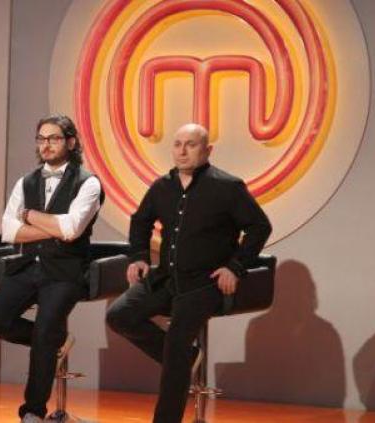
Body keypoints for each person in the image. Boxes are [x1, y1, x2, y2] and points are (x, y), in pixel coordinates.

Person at [106, 123, 272, 423]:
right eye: (177, 144)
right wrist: (139, 257)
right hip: (166, 279)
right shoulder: (162, 186)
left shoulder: (227, 186)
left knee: (175, 348)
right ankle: (186, 359)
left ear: (207, 150)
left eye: (191, 145)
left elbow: (260, 227)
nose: (182, 151)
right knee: (119, 315)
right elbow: (140, 220)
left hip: (204, 284)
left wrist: (235, 267)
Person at [0, 114, 104, 423]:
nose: (46, 145)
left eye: (54, 138)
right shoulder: (26, 181)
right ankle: (55, 342)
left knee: (45, 331)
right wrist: (52, 227)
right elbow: (9, 231)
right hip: (27, 266)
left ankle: (33, 412)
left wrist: (28, 216)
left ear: (71, 142)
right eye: (41, 139)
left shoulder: (88, 183)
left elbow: (71, 229)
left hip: (65, 271)